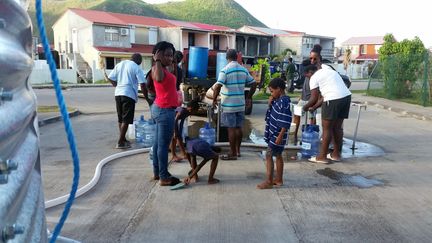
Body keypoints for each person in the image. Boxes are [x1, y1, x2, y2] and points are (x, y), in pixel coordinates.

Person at [302, 64, 352, 164]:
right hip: (346, 97)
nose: (308, 78)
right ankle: (336, 155)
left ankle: (322, 156)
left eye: (307, 76)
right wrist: (314, 107)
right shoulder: (328, 71)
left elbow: (314, 98)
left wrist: (304, 107)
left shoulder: (314, 77)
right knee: (337, 127)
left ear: (310, 73)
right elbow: (323, 97)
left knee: (327, 128)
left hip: (333, 99)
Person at [212, 49, 256, 160]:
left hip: (228, 105)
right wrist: (249, 97)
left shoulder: (225, 70)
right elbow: (254, 83)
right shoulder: (243, 70)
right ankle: (238, 150)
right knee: (239, 128)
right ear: (237, 57)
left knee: (231, 129)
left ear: (227, 58)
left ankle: (232, 153)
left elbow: (217, 86)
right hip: (240, 104)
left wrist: (214, 99)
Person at [150, 41, 181, 186]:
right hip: (164, 110)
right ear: (158, 54)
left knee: (157, 145)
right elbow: (159, 78)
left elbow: (169, 81)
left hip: (162, 108)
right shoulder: (157, 69)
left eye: (171, 55)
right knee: (163, 146)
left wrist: (172, 63)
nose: (170, 58)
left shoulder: (164, 69)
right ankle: (164, 176)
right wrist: (157, 59)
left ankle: (157, 173)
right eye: (167, 55)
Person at [103, 53, 146, 149]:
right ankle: (120, 142)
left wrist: (115, 84)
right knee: (126, 119)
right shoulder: (136, 67)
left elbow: (110, 77)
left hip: (118, 93)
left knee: (121, 118)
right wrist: (147, 98)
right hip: (128, 95)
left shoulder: (120, 64)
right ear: (138, 60)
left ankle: (123, 138)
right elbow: (142, 84)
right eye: (140, 61)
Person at [257, 78, 292, 189]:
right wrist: (270, 102)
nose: (271, 93)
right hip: (275, 134)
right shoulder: (279, 100)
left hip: (278, 134)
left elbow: (286, 120)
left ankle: (269, 181)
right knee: (278, 155)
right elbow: (271, 113)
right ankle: (279, 179)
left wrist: (280, 135)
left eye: (272, 91)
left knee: (268, 155)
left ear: (279, 89)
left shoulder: (284, 102)